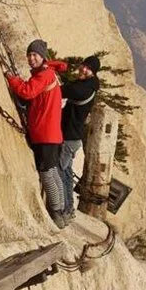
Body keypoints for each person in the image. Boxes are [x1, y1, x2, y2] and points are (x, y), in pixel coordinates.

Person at [5, 39, 68, 228]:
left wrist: (11, 78)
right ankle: (62, 210)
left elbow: (27, 91)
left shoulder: (44, 75)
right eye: (29, 55)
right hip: (53, 134)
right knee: (54, 171)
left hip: (44, 133)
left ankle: (56, 212)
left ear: (42, 57)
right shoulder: (50, 73)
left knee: (47, 173)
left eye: (35, 55)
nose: (31, 59)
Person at [48, 55, 100, 220]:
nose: (83, 69)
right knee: (67, 173)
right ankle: (70, 209)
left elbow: (62, 90)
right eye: (84, 65)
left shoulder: (83, 89)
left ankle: (63, 210)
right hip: (74, 138)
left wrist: (49, 71)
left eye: (88, 68)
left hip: (68, 138)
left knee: (60, 172)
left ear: (93, 73)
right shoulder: (87, 85)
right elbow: (69, 85)